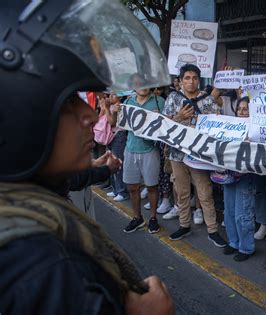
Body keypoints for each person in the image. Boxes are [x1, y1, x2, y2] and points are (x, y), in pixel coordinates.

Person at [0, 1, 174, 313]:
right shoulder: (43, 266)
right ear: (15, 110)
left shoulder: (25, 191)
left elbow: (64, 181)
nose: (90, 116)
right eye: (69, 100)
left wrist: (100, 170)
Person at [163, 64, 227, 247]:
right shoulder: (173, 98)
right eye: (187, 78)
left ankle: (213, 230)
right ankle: (184, 224)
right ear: (181, 81)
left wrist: (203, 122)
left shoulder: (207, 100)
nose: (191, 82)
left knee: (204, 192)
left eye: (194, 78)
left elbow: (218, 124)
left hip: (198, 154)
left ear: (199, 80)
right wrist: (179, 117)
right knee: (182, 192)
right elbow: (163, 124)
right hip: (177, 153)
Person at [110, 76, 162, 234]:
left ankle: (153, 218)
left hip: (150, 150)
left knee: (152, 187)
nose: (143, 86)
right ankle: (137, 218)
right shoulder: (127, 103)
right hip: (131, 149)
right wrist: (113, 111)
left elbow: (168, 125)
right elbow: (114, 124)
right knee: (132, 187)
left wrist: (161, 117)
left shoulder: (159, 102)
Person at [222, 97, 258, 261]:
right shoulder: (230, 127)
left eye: (246, 109)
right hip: (229, 173)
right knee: (229, 209)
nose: (242, 112)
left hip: (246, 175)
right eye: (240, 109)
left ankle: (246, 247)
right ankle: (233, 242)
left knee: (243, 212)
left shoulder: (257, 130)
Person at [103, 93, 130, 202]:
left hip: (119, 136)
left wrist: (106, 108)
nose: (110, 97)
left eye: (114, 95)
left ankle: (122, 191)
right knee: (110, 161)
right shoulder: (111, 106)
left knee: (117, 162)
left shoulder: (121, 107)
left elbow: (111, 122)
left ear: (120, 96)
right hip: (111, 135)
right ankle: (116, 189)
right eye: (110, 94)